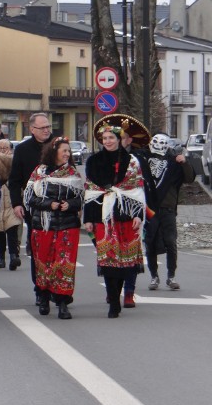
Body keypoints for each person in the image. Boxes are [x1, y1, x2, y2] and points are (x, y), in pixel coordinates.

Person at [83, 114, 147, 318]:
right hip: (103, 217)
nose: (108, 141)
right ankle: (113, 300)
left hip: (126, 216)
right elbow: (91, 191)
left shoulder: (131, 162)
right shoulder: (93, 161)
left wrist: (138, 214)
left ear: (120, 140)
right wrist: (89, 219)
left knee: (124, 262)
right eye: (105, 138)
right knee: (108, 260)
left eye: (112, 138)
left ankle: (118, 293)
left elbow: (136, 190)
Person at [24, 137, 84, 319]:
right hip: (43, 225)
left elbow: (81, 198)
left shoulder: (73, 173)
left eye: (69, 151)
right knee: (43, 263)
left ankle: (63, 302)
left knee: (64, 264)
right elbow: (30, 198)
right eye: (64, 150)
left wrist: (70, 204)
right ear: (54, 151)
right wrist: (49, 204)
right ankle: (43, 297)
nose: (67, 154)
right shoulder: (39, 172)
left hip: (68, 226)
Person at [137, 133, 195, 291]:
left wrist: (184, 163)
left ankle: (171, 276)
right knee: (150, 243)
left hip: (168, 208)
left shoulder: (173, 161)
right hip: (149, 209)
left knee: (170, 242)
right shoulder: (143, 157)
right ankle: (154, 276)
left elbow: (189, 178)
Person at [8, 113, 53, 305]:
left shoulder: (58, 146)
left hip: (59, 207)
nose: (47, 131)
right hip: (34, 207)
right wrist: (17, 203)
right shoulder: (23, 149)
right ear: (32, 129)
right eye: (42, 128)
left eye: (48, 127)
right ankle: (40, 289)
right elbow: (15, 180)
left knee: (57, 250)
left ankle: (56, 288)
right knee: (38, 250)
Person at [117, 127, 151, 307]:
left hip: (132, 213)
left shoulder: (137, 161)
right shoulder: (100, 160)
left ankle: (129, 291)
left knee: (130, 255)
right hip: (109, 215)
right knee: (111, 256)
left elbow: (144, 189)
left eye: (119, 138)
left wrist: (144, 213)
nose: (111, 141)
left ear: (128, 140)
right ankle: (113, 290)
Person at [0, 139, 22, 270]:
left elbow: (13, 168)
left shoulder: (15, 160)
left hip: (10, 199)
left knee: (12, 229)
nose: (2, 150)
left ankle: (14, 255)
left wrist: (3, 157)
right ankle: (1, 257)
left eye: (5, 147)